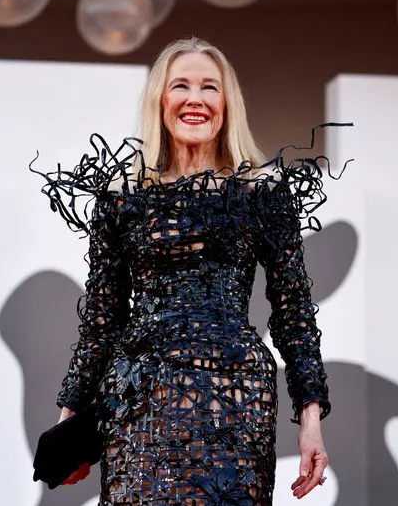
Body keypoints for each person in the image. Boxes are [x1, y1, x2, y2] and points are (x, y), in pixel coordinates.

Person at [33, 36, 339, 505]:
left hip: (234, 401)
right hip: (141, 404)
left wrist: (311, 422)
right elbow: (102, 318)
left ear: (226, 103)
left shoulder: (262, 193)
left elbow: (294, 311)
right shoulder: (123, 196)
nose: (195, 99)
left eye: (209, 88)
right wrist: (67, 425)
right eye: (181, 86)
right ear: (161, 100)